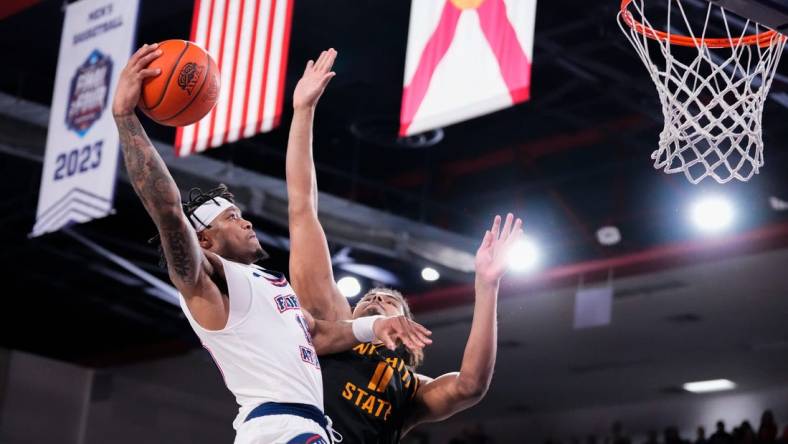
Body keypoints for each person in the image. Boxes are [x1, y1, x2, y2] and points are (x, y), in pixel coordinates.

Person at [112, 43, 432, 444]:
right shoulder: (204, 280)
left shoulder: (268, 287)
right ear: (204, 240)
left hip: (305, 428)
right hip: (278, 429)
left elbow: (317, 335)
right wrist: (126, 119)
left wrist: (374, 325)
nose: (245, 220)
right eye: (230, 218)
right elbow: (167, 210)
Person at [285, 48, 523, 442]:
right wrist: (303, 111)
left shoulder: (410, 389)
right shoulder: (331, 317)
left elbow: (470, 386)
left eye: (388, 299)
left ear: (410, 331)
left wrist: (487, 285)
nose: (376, 297)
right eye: (370, 296)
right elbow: (301, 208)